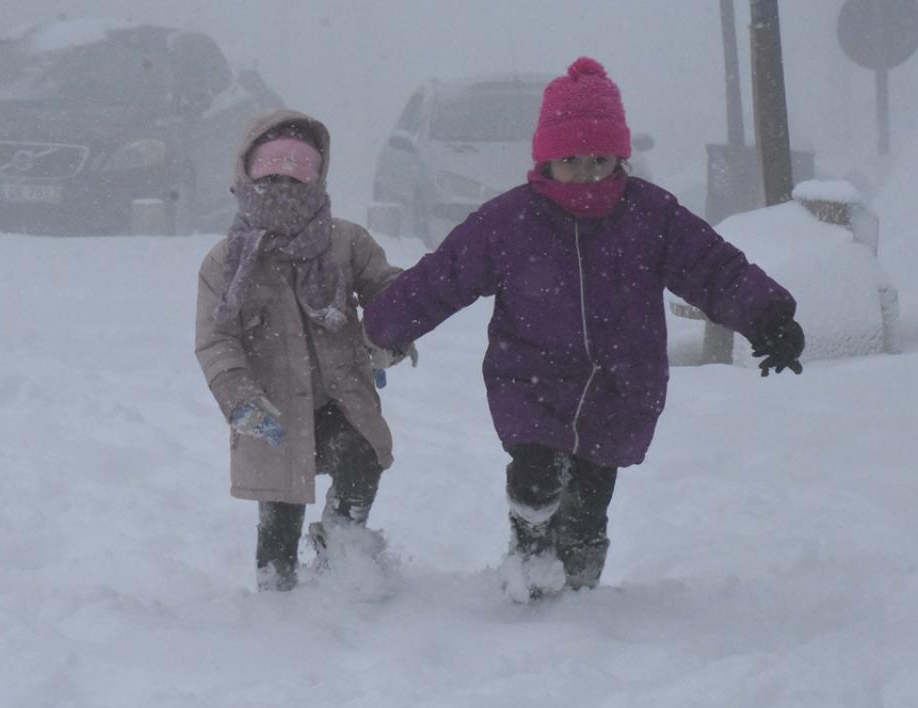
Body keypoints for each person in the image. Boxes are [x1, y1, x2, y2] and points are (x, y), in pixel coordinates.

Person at [361, 58, 804, 603]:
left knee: (590, 502)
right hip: (531, 378)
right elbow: (443, 276)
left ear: (621, 159)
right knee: (535, 475)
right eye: (571, 161)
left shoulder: (651, 217)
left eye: (600, 161)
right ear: (546, 161)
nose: (588, 175)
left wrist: (767, 316)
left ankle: (579, 592)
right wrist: (383, 325)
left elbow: (714, 268)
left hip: (620, 387)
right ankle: (529, 554)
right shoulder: (511, 222)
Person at [195, 109, 411, 592]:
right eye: (269, 179)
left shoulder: (345, 242)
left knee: (362, 458)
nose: (282, 190)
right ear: (247, 178)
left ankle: (343, 548)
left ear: (317, 180)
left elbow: (386, 290)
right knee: (280, 508)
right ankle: (278, 599)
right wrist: (239, 396)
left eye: (295, 179)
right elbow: (216, 339)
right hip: (271, 410)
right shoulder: (227, 262)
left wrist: (389, 332)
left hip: (340, 398)